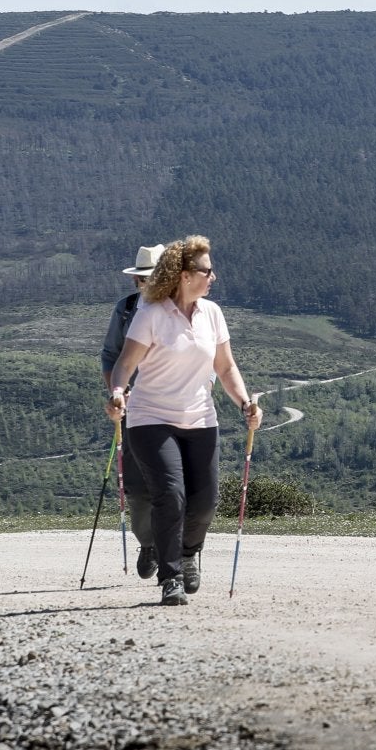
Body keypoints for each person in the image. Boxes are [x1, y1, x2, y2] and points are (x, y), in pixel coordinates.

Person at [105, 236, 263, 606]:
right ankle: (170, 577)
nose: (213, 276)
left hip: (200, 419)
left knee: (205, 502)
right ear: (184, 275)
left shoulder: (212, 313)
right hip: (150, 419)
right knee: (171, 495)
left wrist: (244, 403)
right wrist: (116, 392)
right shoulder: (151, 313)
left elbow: (225, 367)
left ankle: (190, 553)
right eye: (207, 271)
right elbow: (124, 364)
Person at [100, 244, 165, 579]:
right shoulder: (125, 310)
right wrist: (116, 391)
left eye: (153, 277)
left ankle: (178, 553)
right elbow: (110, 355)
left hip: (174, 410)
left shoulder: (184, 312)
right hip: (133, 409)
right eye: (142, 279)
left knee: (175, 484)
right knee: (138, 488)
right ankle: (149, 543)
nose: (147, 284)